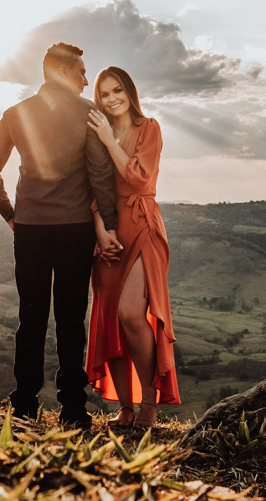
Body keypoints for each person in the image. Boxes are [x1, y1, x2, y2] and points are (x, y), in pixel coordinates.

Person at [0, 42, 121, 429]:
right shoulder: (90, 113)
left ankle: (24, 406)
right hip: (75, 230)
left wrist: (9, 214)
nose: (86, 80)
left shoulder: (16, 113)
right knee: (72, 320)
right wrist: (107, 226)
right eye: (80, 72)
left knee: (31, 317)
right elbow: (100, 175)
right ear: (61, 70)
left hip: (29, 230)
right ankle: (73, 409)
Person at [85, 66, 180, 429]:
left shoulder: (148, 128)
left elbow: (139, 178)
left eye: (117, 91)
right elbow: (94, 187)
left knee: (130, 313)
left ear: (130, 91)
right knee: (111, 319)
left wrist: (110, 141)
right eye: (104, 94)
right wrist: (99, 232)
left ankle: (149, 404)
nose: (111, 99)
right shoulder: (97, 133)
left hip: (142, 226)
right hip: (109, 229)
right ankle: (125, 406)